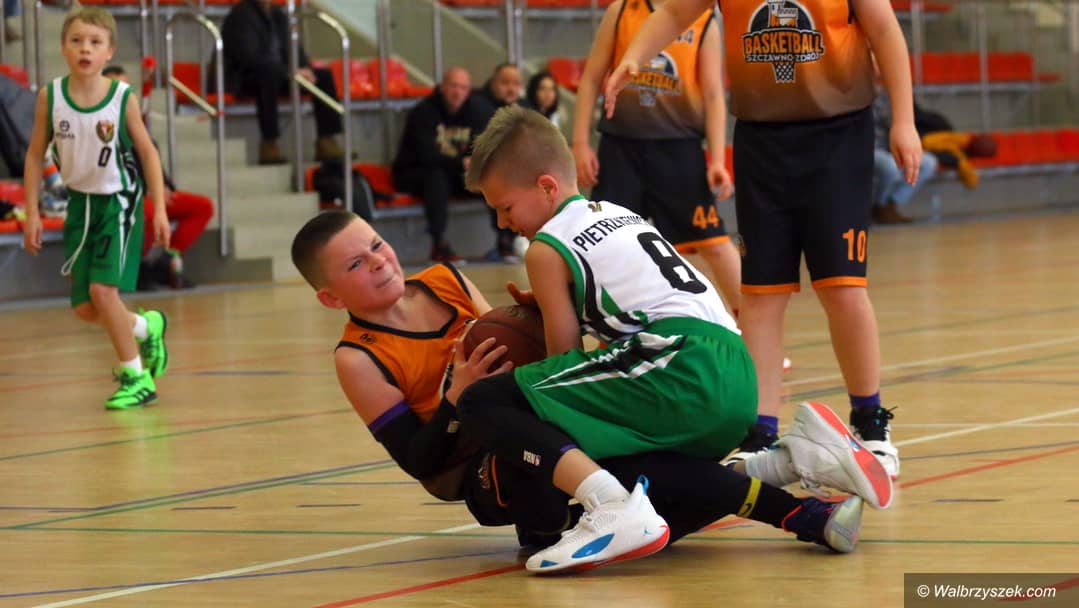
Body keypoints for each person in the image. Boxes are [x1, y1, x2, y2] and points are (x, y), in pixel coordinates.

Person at [291, 208, 892, 575]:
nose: (377, 261)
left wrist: (532, 317)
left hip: (534, 428)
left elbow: (509, 344)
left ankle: (798, 501)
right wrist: (456, 399)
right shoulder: (358, 357)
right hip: (482, 470)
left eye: (375, 245)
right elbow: (421, 464)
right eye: (355, 265)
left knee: (640, 511)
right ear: (330, 297)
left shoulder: (445, 279)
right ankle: (781, 475)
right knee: (627, 499)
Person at [455, 106, 892, 573]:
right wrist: (559, 304)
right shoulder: (618, 213)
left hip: (677, 359)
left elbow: (565, 358)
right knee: (655, 506)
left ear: (546, 187)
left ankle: (608, 506)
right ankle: (786, 464)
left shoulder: (545, 248)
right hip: (734, 371)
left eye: (505, 208)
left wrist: (533, 339)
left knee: (484, 402)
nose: (503, 223)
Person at [604, 0, 921, 478]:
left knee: (841, 287)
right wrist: (634, 55)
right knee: (761, 294)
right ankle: (760, 432)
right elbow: (672, 14)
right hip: (761, 140)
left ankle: (870, 421)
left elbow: (885, 31)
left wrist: (904, 120)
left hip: (838, 137)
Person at [21, 7, 170, 409]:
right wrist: (33, 213)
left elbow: (148, 152)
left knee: (103, 292)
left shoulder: (122, 98)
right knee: (87, 308)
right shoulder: (50, 96)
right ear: (63, 48)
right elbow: (34, 155)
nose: (85, 49)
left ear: (109, 52)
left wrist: (158, 209)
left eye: (94, 42)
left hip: (118, 201)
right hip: (79, 203)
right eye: (77, 41)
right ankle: (147, 327)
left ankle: (136, 378)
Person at [571, 0, 741, 314]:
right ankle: (606, 326)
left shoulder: (702, 18)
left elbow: (714, 94)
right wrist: (580, 143)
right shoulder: (621, 11)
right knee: (604, 244)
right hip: (621, 149)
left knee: (713, 242)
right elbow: (591, 79)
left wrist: (717, 159)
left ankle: (751, 319)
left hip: (679, 150)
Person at [103, 65, 212, 289]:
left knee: (202, 206)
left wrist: (165, 188)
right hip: (120, 197)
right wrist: (147, 191)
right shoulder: (101, 130)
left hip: (150, 195)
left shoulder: (137, 128)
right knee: (149, 211)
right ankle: (136, 268)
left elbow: (154, 165)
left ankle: (166, 261)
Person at [220, 0, 343, 165]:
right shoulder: (240, 15)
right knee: (267, 75)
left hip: (282, 74)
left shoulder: (279, 15)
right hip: (246, 78)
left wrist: (305, 69)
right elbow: (249, 57)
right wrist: (289, 72)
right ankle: (269, 142)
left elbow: (295, 49)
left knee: (323, 76)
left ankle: (326, 139)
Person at [392, 66, 488, 262]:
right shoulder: (423, 111)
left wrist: (475, 163)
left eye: (463, 87)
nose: (457, 92)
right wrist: (462, 162)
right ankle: (438, 243)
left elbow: (483, 146)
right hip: (414, 173)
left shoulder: (477, 111)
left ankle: (507, 240)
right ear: (442, 87)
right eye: (453, 86)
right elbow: (426, 155)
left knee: (491, 176)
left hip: (455, 174)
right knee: (436, 177)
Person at [474, 63, 525, 263]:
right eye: (505, 83)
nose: (511, 88)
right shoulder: (478, 107)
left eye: (516, 83)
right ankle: (506, 238)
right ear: (494, 83)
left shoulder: (526, 107)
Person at [872, 88, 938, 224]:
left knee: (928, 162)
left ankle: (892, 203)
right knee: (890, 167)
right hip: (870, 149)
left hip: (891, 147)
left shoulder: (893, 94)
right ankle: (878, 205)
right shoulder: (862, 94)